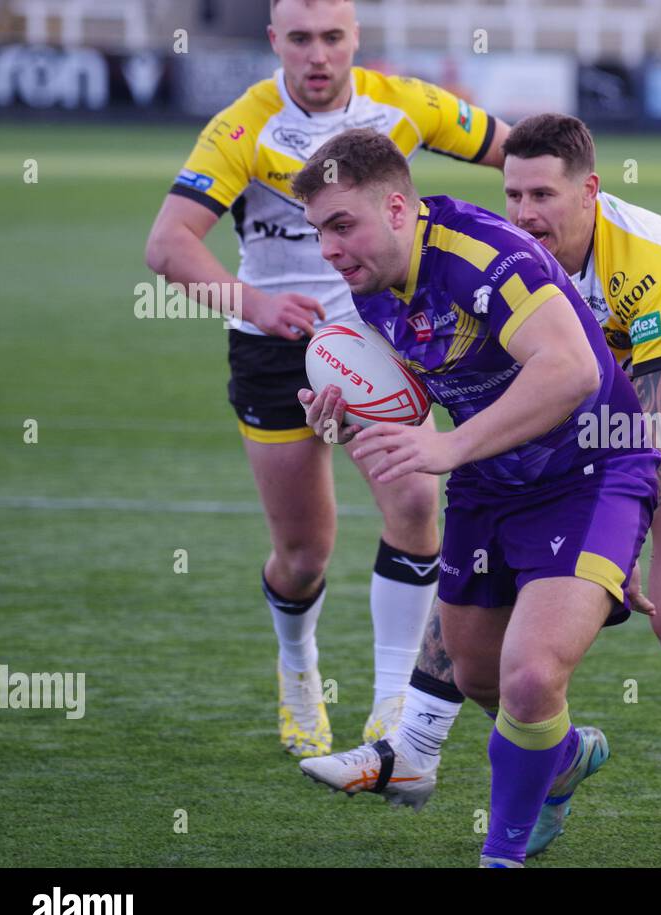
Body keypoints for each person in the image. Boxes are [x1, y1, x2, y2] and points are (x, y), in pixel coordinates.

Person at [309, 114, 661, 852]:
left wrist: (629, 530)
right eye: (513, 192)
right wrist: (354, 409)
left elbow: (659, 424)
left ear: (591, 190)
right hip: (571, 426)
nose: (524, 212)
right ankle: (448, 747)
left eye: (544, 194)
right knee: (485, 629)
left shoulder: (648, 263)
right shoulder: (491, 255)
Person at [143, 0, 511, 755]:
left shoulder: (405, 105)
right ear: (275, 40)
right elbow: (168, 244)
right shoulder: (244, 127)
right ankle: (299, 668)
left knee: (414, 499)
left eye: (332, 38)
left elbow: (517, 152)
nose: (317, 56)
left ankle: (390, 701)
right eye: (301, 39)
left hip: (382, 338)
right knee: (305, 551)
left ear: (355, 41)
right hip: (274, 348)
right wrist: (255, 302)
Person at [293, 127, 660, 867]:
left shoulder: (483, 256)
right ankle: (558, 759)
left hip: (593, 465)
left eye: (342, 224)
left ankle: (502, 853)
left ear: (397, 208)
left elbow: (572, 370)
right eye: (318, 232)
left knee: (530, 676)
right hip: (493, 482)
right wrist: (352, 411)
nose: (329, 249)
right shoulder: (372, 288)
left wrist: (450, 446)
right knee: (477, 674)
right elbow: (428, 379)